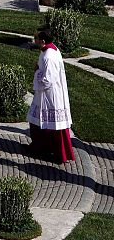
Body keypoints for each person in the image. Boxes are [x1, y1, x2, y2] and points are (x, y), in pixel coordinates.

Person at [27, 28, 75, 163]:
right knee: (38, 121)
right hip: (44, 94)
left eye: (36, 38)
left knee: (53, 125)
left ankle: (57, 152)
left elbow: (48, 80)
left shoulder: (49, 56)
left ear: (42, 41)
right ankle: (40, 147)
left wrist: (36, 72)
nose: (34, 40)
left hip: (50, 95)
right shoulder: (50, 50)